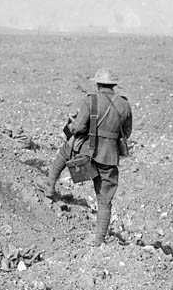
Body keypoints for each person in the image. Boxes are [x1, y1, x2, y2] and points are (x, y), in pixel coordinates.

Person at [44, 68, 132, 246]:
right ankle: (99, 239)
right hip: (109, 157)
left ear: (98, 84)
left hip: (87, 152)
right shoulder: (124, 105)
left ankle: (49, 188)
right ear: (114, 85)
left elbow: (76, 129)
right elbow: (127, 133)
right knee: (105, 200)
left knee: (64, 152)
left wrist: (74, 122)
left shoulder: (91, 100)